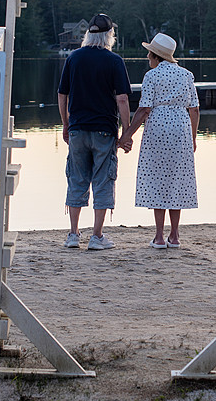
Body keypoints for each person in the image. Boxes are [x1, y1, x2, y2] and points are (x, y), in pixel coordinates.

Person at [58, 13, 132, 250]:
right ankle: (97, 236)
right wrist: (126, 132)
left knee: (77, 179)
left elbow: (62, 95)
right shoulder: (114, 61)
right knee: (103, 180)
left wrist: (66, 123)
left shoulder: (73, 58)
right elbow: (122, 99)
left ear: (88, 34)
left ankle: (73, 234)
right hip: (104, 130)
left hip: (78, 129)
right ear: (110, 35)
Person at [118, 33, 199, 249]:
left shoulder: (151, 76)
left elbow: (144, 109)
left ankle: (160, 237)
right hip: (181, 128)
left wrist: (127, 135)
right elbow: (194, 109)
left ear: (156, 56)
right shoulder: (187, 75)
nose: (147, 57)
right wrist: (192, 137)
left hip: (158, 128)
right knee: (177, 179)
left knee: (158, 179)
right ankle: (175, 235)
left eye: (149, 53)